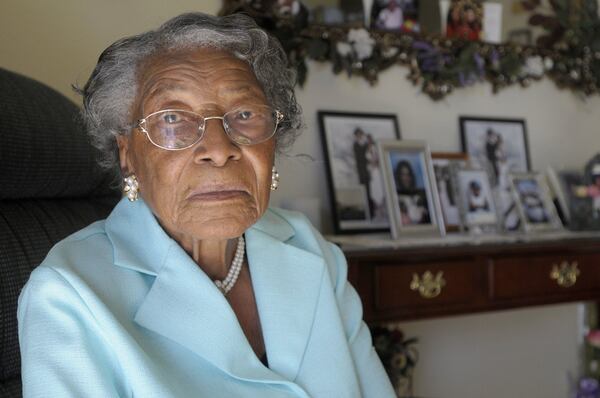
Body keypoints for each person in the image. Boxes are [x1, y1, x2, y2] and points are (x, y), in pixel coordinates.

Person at [17, 13, 395, 398]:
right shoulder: (68, 294)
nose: (218, 149)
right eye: (172, 118)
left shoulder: (309, 248)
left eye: (245, 115)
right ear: (127, 152)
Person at [353, 127, 374, 216]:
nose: (359, 136)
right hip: (361, 170)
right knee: (364, 189)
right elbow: (360, 157)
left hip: (367, 170)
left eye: (360, 134)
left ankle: (371, 209)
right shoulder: (356, 145)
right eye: (358, 134)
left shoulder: (366, 145)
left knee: (370, 189)